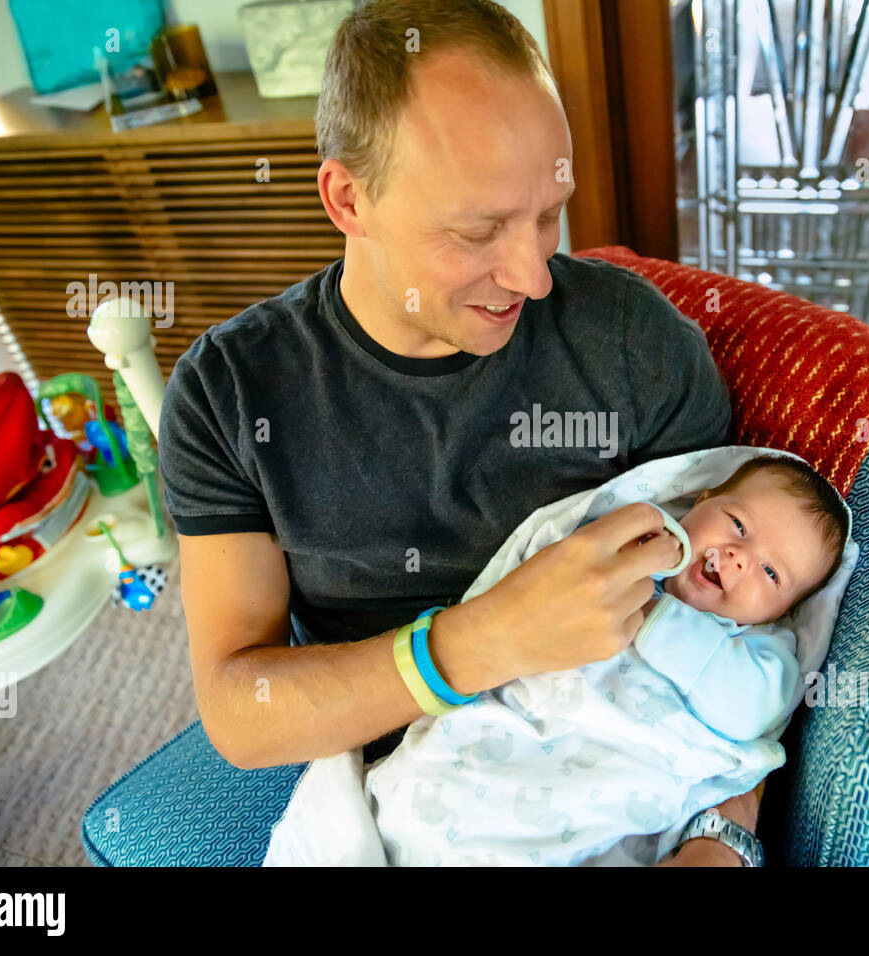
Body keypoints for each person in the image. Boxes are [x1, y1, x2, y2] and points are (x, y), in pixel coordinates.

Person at [158, 0, 762, 865]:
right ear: (347, 198)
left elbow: (745, 618)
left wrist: (723, 833)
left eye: (548, 214)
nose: (533, 277)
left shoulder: (634, 343)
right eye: (478, 229)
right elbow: (240, 710)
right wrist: (484, 641)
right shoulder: (230, 394)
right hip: (401, 794)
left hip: (623, 767)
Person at [261, 453, 851, 866]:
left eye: (773, 573)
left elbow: (750, 710)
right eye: (737, 524)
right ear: (697, 500)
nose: (740, 557)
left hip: (600, 799)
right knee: (415, 806)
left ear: (782, 613)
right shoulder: (614, 546)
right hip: (486, 753)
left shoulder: (757, 649)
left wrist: (656, 616)